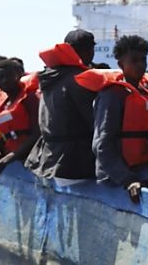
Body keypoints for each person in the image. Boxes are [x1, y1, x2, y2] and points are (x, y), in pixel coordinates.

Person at [83, 35, 148, 203]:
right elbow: (101, 145)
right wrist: (127, 179)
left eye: (143, 60)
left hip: (145, 169)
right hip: (118, 176)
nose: (140, 65)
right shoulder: (112, 95)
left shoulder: (144, 94)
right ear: (121, 64)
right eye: (134, 60)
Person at [24, 29, 99, 183]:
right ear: (89, 51)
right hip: (75, 163)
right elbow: (94, 121)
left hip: (49, 159)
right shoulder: (79, 78)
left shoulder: (49, 76)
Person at [0, 59, 41, 180]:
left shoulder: (29, 98)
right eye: (0, 77)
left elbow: (37, 135)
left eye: (9, 76)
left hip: (31, 157)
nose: (4, 81)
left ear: (18, 75)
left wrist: (2, 163)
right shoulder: (2, 103)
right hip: (12, 157)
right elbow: (9, 141)